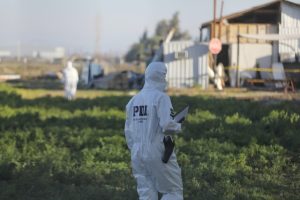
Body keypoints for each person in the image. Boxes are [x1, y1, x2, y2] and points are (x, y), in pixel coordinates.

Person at [124, 62, 183, 200]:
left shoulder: (133, 101)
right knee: (173, 190)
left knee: (146, 193)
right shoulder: (161, 97)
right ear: (161, 77)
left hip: (137, 153)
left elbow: (128, 131)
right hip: (157, 150)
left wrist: (135, 148)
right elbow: (167, 125)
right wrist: (178, 124)